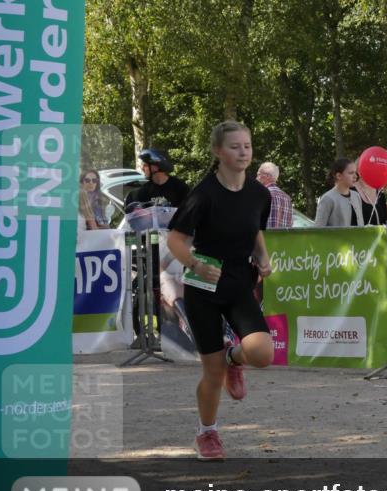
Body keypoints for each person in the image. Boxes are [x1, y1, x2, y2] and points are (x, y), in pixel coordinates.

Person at [166, 121, 274, 461]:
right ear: (217, 152)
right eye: (234, 146)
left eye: (247, 145)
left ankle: (233, 358)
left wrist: (263, 257)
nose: (243, 152)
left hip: (240, 281)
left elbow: (256, 229)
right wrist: (195, 264)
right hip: (203, 286)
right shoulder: (203, 195)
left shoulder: (260, 193)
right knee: (211, 372)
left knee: (262, 353)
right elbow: (175, 239)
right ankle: (207, 433)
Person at [125, 148, 190, 209]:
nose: (142, 168)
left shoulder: (180, 188)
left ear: (155, 167)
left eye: (145, 165)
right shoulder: (143, 191)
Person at [315, 158, 363, 226]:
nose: (355, 176)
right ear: (339, 176)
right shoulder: (327, 199)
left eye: (355, 172)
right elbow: (318, 230)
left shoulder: (356, 196)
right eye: (351, 173)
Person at [256, 161, 293, 229]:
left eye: (258, 174)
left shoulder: (262, 195)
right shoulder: (287, 198)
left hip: (265, 238)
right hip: (283, 239)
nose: (256, 178)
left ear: (267, 176)